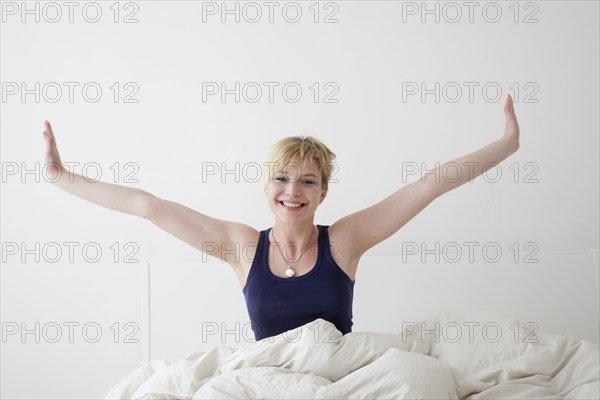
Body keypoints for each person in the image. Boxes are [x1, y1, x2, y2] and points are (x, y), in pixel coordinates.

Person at [42, 94, 520, 341]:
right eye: (282, 179)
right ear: (267, 186)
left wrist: (507, 144)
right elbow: (149, 206)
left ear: (323, 192)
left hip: (334, 379)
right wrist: (61, 177)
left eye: (308, 181)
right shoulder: (242, 246)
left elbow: (428, 185)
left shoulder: (346, 241)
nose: (293, 192)